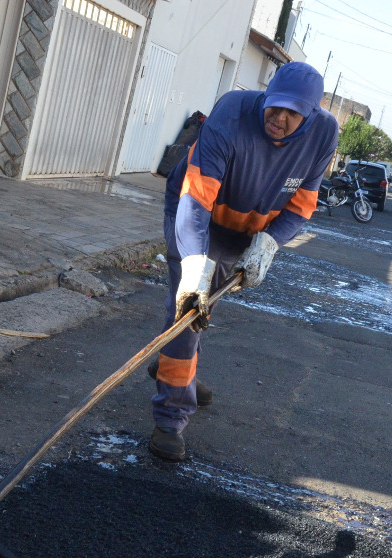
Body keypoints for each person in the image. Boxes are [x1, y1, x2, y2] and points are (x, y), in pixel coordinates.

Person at [148, 61, 340, 461]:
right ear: (265, 96)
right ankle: (170, 417)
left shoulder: (324, 133)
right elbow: (195, 202)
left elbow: (303, 204)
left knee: (206, 305)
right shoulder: (231, 112)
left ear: (311, 115)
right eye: (275, 106)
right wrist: (195, 266)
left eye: (293, 113)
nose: (279, 118)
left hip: (252, 230)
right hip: (197, 217)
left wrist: (270, 242)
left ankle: (180, 374)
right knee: (187, 308)